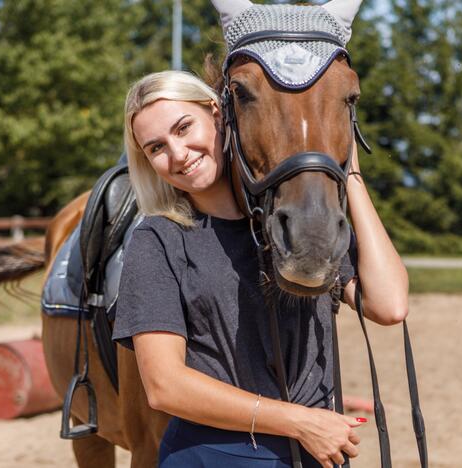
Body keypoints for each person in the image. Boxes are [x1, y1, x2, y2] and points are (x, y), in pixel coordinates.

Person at [113, 70, 409, 468]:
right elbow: (165, 387)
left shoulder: (290, 224)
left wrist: (349, 173)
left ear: (219, 114)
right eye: (157, 148)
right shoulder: (158, 240)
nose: (179, 153)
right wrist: (299, 423)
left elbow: (389, 305)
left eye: (184, 128)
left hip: (317, 452)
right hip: (216, 456)